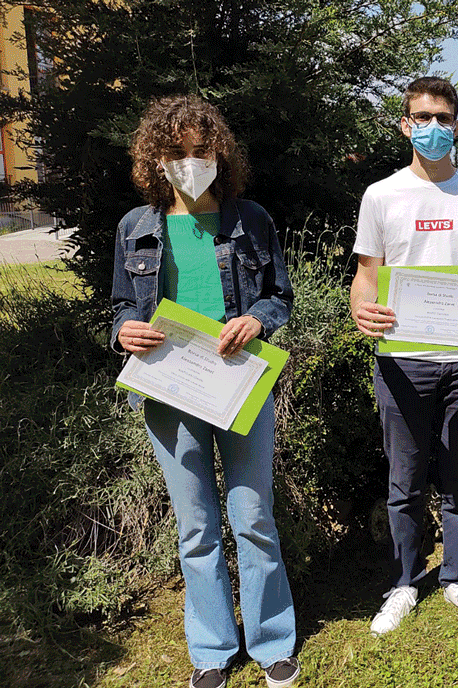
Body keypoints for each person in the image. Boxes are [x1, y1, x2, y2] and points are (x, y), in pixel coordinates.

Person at [111, 95, 300, 688]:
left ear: (220, 153)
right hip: (169, 389)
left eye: (201, 150)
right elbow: (118, 305)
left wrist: (259, 320)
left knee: (253, 517)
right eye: (177, 153)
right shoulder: (135, 228)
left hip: (240, 384)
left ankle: (273, 641)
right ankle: (213, 649)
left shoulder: (253, 219)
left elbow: (280, 297)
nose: (191, 163)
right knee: (195, 526)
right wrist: (122, 330)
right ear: (156, 160)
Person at [350, 76, 458, 635]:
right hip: (402, 358)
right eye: (422, 117)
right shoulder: (381, 194)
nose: (434, 128)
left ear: (457, 125)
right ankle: (403, 582)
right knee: (405, 479)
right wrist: (361, 312)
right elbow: (366, 275)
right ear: (405, 124)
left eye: (444, 119)